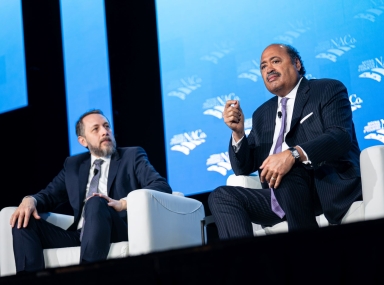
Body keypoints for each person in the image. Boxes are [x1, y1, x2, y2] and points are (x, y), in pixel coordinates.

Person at [208, 44, 362, 239]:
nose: (268, 69)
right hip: (280, 196)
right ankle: (244, 266)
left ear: (296, 63)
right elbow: (243, 167)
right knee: (222, 197)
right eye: (263, 66)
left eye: (275, 61)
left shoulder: (327, 89)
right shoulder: (262, 114)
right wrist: (238, 133)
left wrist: (293, 155)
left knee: (285, 167)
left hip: (324, 186)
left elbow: (340, 137)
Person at [10, 109, 172, 273]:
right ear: (83, 140)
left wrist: (123, 203)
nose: (104, 132)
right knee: (22, 219)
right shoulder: (73, 165)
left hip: (115, 229)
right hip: (80, 235)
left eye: (107, 126)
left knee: (95, 201)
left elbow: (161, 186)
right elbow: (49, 195)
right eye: (96, 129)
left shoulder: (132, 156)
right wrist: (29, 200)